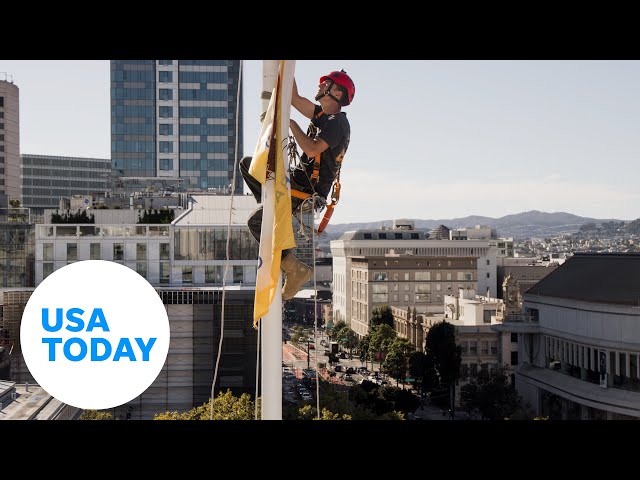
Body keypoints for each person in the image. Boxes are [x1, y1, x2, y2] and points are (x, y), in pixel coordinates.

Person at [240, 69, 355, 300]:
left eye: (326, 84)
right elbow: (292, 97)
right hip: (297, 181)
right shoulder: (323, 117)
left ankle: (294, 268)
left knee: (255, 222)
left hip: (306, 191)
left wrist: (290, 124)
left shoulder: (337, 124)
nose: (320, 86)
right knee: (249, 165)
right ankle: (270, 212)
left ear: (337, 93)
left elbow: (312, 149)